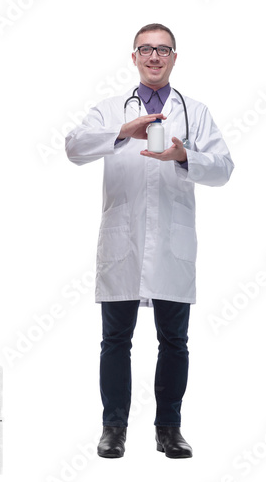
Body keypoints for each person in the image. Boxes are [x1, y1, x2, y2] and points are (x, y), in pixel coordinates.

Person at [65, 23, 234, 459]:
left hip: (173, 247)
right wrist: (123, 131)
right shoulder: (111, 109)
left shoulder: (194, 111)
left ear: (175, 57)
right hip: (123, 244)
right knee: (115, 341)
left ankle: (168, 430)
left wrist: (185, 157)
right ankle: (113, 429)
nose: (154, 57)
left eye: (163, 50)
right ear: (134, 56)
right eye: (146, 49)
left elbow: (224, 168)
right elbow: (74, 148)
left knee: (174, 341)